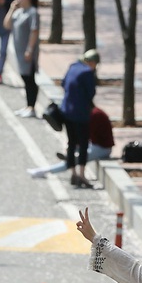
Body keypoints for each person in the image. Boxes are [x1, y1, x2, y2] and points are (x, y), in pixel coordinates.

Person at [62, 48, 100, 189]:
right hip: (81, 113)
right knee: (83, 143)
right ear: (92, 62)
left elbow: (63, 84)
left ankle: (73, 172)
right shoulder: (87, 73)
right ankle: (82, 174)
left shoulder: (73, 66)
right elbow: (91, 92)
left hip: (66, 110)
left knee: (71, 143)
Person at [6, 0, 42, 115]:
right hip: (19, 51)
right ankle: (28, 106)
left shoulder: (33, 13)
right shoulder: (18, 12)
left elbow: (34, 31)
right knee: (24, 77)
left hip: (28, 52)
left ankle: (32, 106)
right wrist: (12, 9)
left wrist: (30, 49)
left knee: (29, 77)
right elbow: (7, 24)